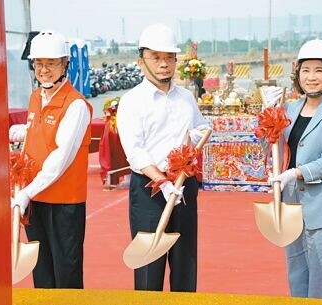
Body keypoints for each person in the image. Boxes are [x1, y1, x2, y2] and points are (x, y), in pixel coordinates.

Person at [116, 23, 210, 292]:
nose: (163, 64)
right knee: (149, 265)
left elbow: (200, 128)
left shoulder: (186, 98)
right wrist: (163, 182)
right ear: (141, 61)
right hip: (150, 189)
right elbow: (134, 150)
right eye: (155, 57)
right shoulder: (133, 101)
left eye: (169, 57)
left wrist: (201, 134)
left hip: (184, 187)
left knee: (185, 263)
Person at [270, 39, 322, 300]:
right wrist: (268, 114)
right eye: (305, 70)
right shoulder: (290, 109)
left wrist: (296, 173)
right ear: (297, 75)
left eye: (319, 70)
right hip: (293, 203)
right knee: (297, 274)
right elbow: (271, 146)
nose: (312, 77)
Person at [9, 30, 92, 288]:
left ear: (65, 64)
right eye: (39, 63)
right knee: (42, 272)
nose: (44, 69)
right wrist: (26, 131)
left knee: (66, 272)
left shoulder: (75, 105)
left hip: (63, 203)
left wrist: (26, 193)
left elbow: (61, 157)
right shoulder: (36, 98)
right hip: (35, 200)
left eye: (51, 63)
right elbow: (41, 136)